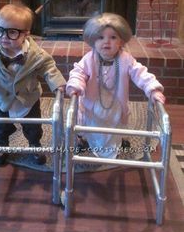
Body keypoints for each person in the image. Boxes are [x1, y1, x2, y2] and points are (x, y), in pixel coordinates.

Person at [0, 3, 66, 166]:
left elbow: (49, 68)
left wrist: (58, 85)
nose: (3, 37)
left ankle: (35, 146)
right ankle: (2, 146)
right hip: (2, 99)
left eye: (12, 32)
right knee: (1, 127)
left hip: (28, 99)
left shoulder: (36, 54)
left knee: (33, 128)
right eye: (0, 30)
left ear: (26, 34)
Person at [66, 12, 165, 159]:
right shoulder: (89, 59)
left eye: (113, 37)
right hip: (93, 103)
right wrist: (75, 85)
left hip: (115, 104)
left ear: (121, 41)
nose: (107, 42)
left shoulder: (126, 60)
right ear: (93, 40)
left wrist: (153, 89)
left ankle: (117, 141)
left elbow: (141, 73)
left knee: (115, 125)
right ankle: (84, 140)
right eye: (101, 37)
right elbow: (78, 72)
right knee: (89, 124)